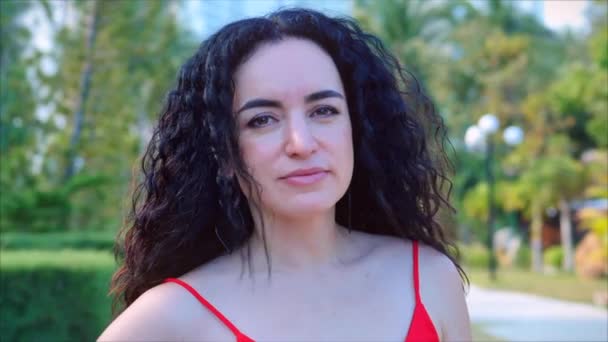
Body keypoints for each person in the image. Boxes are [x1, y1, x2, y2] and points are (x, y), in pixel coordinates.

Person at [99, 7, 471, 342]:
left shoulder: (429, 279)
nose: (301, 143)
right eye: (262, 120)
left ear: (356, 129)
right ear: (223, 153)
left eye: (324, 111)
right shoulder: (171, 316)